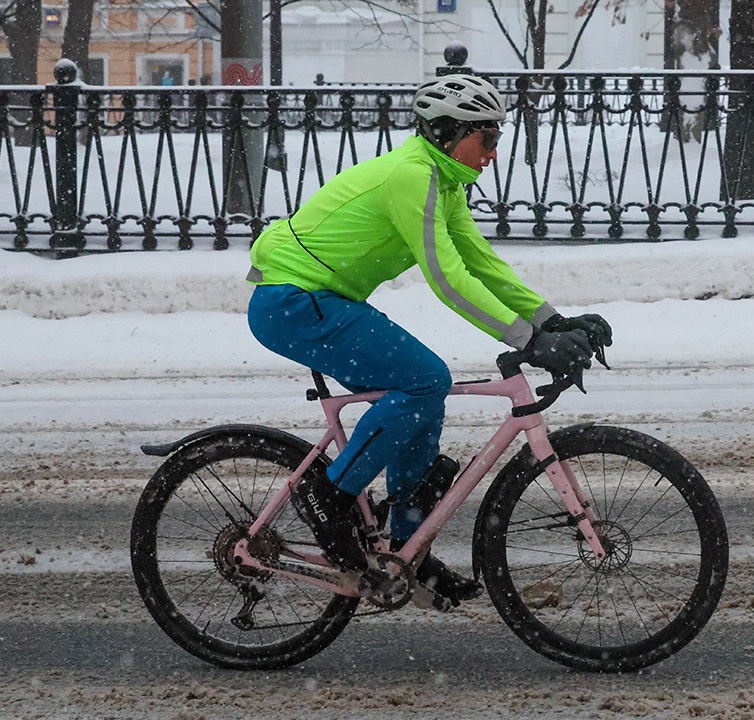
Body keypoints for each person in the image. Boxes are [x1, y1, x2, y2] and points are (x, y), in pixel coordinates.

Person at [244, 73, 612, 610]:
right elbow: (446, 280)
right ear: (447, 133)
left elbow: (479, 263)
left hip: (322, 300)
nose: (493, 151)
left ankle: (407, 550)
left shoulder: (444, 179)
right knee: (424, 380)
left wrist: (550, 322)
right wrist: (526, 339)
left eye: (498, 137)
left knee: (419, 401)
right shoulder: (412, 177)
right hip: (292, 303)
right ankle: (327, 494)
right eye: (486, 137)